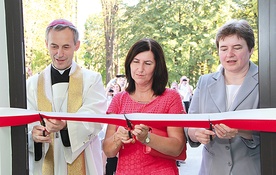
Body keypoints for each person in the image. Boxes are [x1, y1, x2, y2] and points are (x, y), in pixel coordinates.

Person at [27, 19, 107, 175]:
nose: (59, 54)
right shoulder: (32, 84)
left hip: (84, 160)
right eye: (54, 46)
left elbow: (95, 117)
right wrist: (34, 135)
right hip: (45, 162)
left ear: (77, 45)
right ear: (46, 44)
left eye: (66, 47)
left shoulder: (92, 80)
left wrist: (66, 125)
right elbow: (28, 122)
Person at [186, 19, 260, 175]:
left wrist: (240, 130)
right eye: (223, 48)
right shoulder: (204, 82)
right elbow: (190, 125)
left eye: (237, 47)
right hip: (211, 170)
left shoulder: (268, 81)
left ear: (251, 49)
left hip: (252, 169)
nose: (229, 54)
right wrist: (196, 133)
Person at [103, 38, 186, 175]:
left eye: (147, 63)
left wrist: (147, 138)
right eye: (136, 62)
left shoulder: (171, 97)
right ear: (129, 64)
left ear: (157, 67)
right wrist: (118, 137)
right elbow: (108, 151)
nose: (140, 69)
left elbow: (177, 147)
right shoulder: (119, 99)